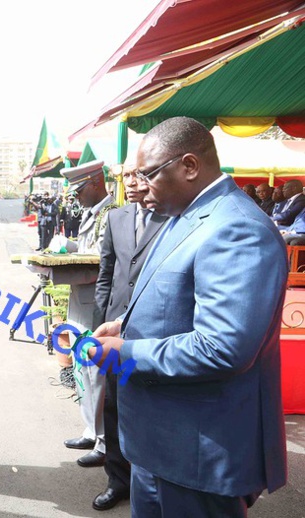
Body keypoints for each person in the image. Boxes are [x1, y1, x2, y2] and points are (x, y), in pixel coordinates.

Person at [91, 117, 287, 517]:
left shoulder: (237, 228)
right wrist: (125, 323)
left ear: (189, 166)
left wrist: (125, 352)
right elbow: (173, 294)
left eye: (148, 174)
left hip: (198, 452)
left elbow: (222, 348)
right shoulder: (187, 215)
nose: (139, 185)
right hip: (161, 443)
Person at [90, 166, 167, 511]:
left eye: (140, 175)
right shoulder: (116, 218)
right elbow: (106, 273)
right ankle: (117, 479)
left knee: (152, 406)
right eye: (127, 177)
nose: (133, 183)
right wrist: (99, 321)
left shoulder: (172, 217)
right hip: (113, 328)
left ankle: (152, 478)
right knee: (114, 405)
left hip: (153, 331)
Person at [51, 159, 116, 469]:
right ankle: (91, 430)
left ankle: (103, 442)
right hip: (81, 300)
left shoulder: (110, 214)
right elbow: (88, 250)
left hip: (96, 304)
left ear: (94, 183)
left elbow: (102, 260)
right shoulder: (94, 214)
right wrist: (67, 247)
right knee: (81, 369)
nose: (75, 197)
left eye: (78, 190)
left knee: (96, 374)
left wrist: (70, 252)